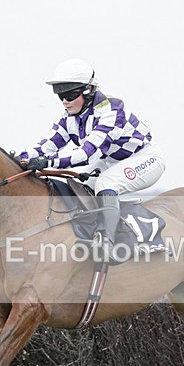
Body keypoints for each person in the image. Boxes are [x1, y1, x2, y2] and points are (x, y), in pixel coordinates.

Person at [18, 58, 166, 263]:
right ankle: (88, 232)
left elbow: (86, 154)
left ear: (89, 90)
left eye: (70, 95)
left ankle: (108, 241)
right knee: (79, 183)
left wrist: (47, 162)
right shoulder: (70, 116)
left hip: (145, 158)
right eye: (60, 96)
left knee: (106, 183)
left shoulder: (112, 110)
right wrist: (18, 158)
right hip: (110, 161)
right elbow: (47, 145)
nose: (64, 101)